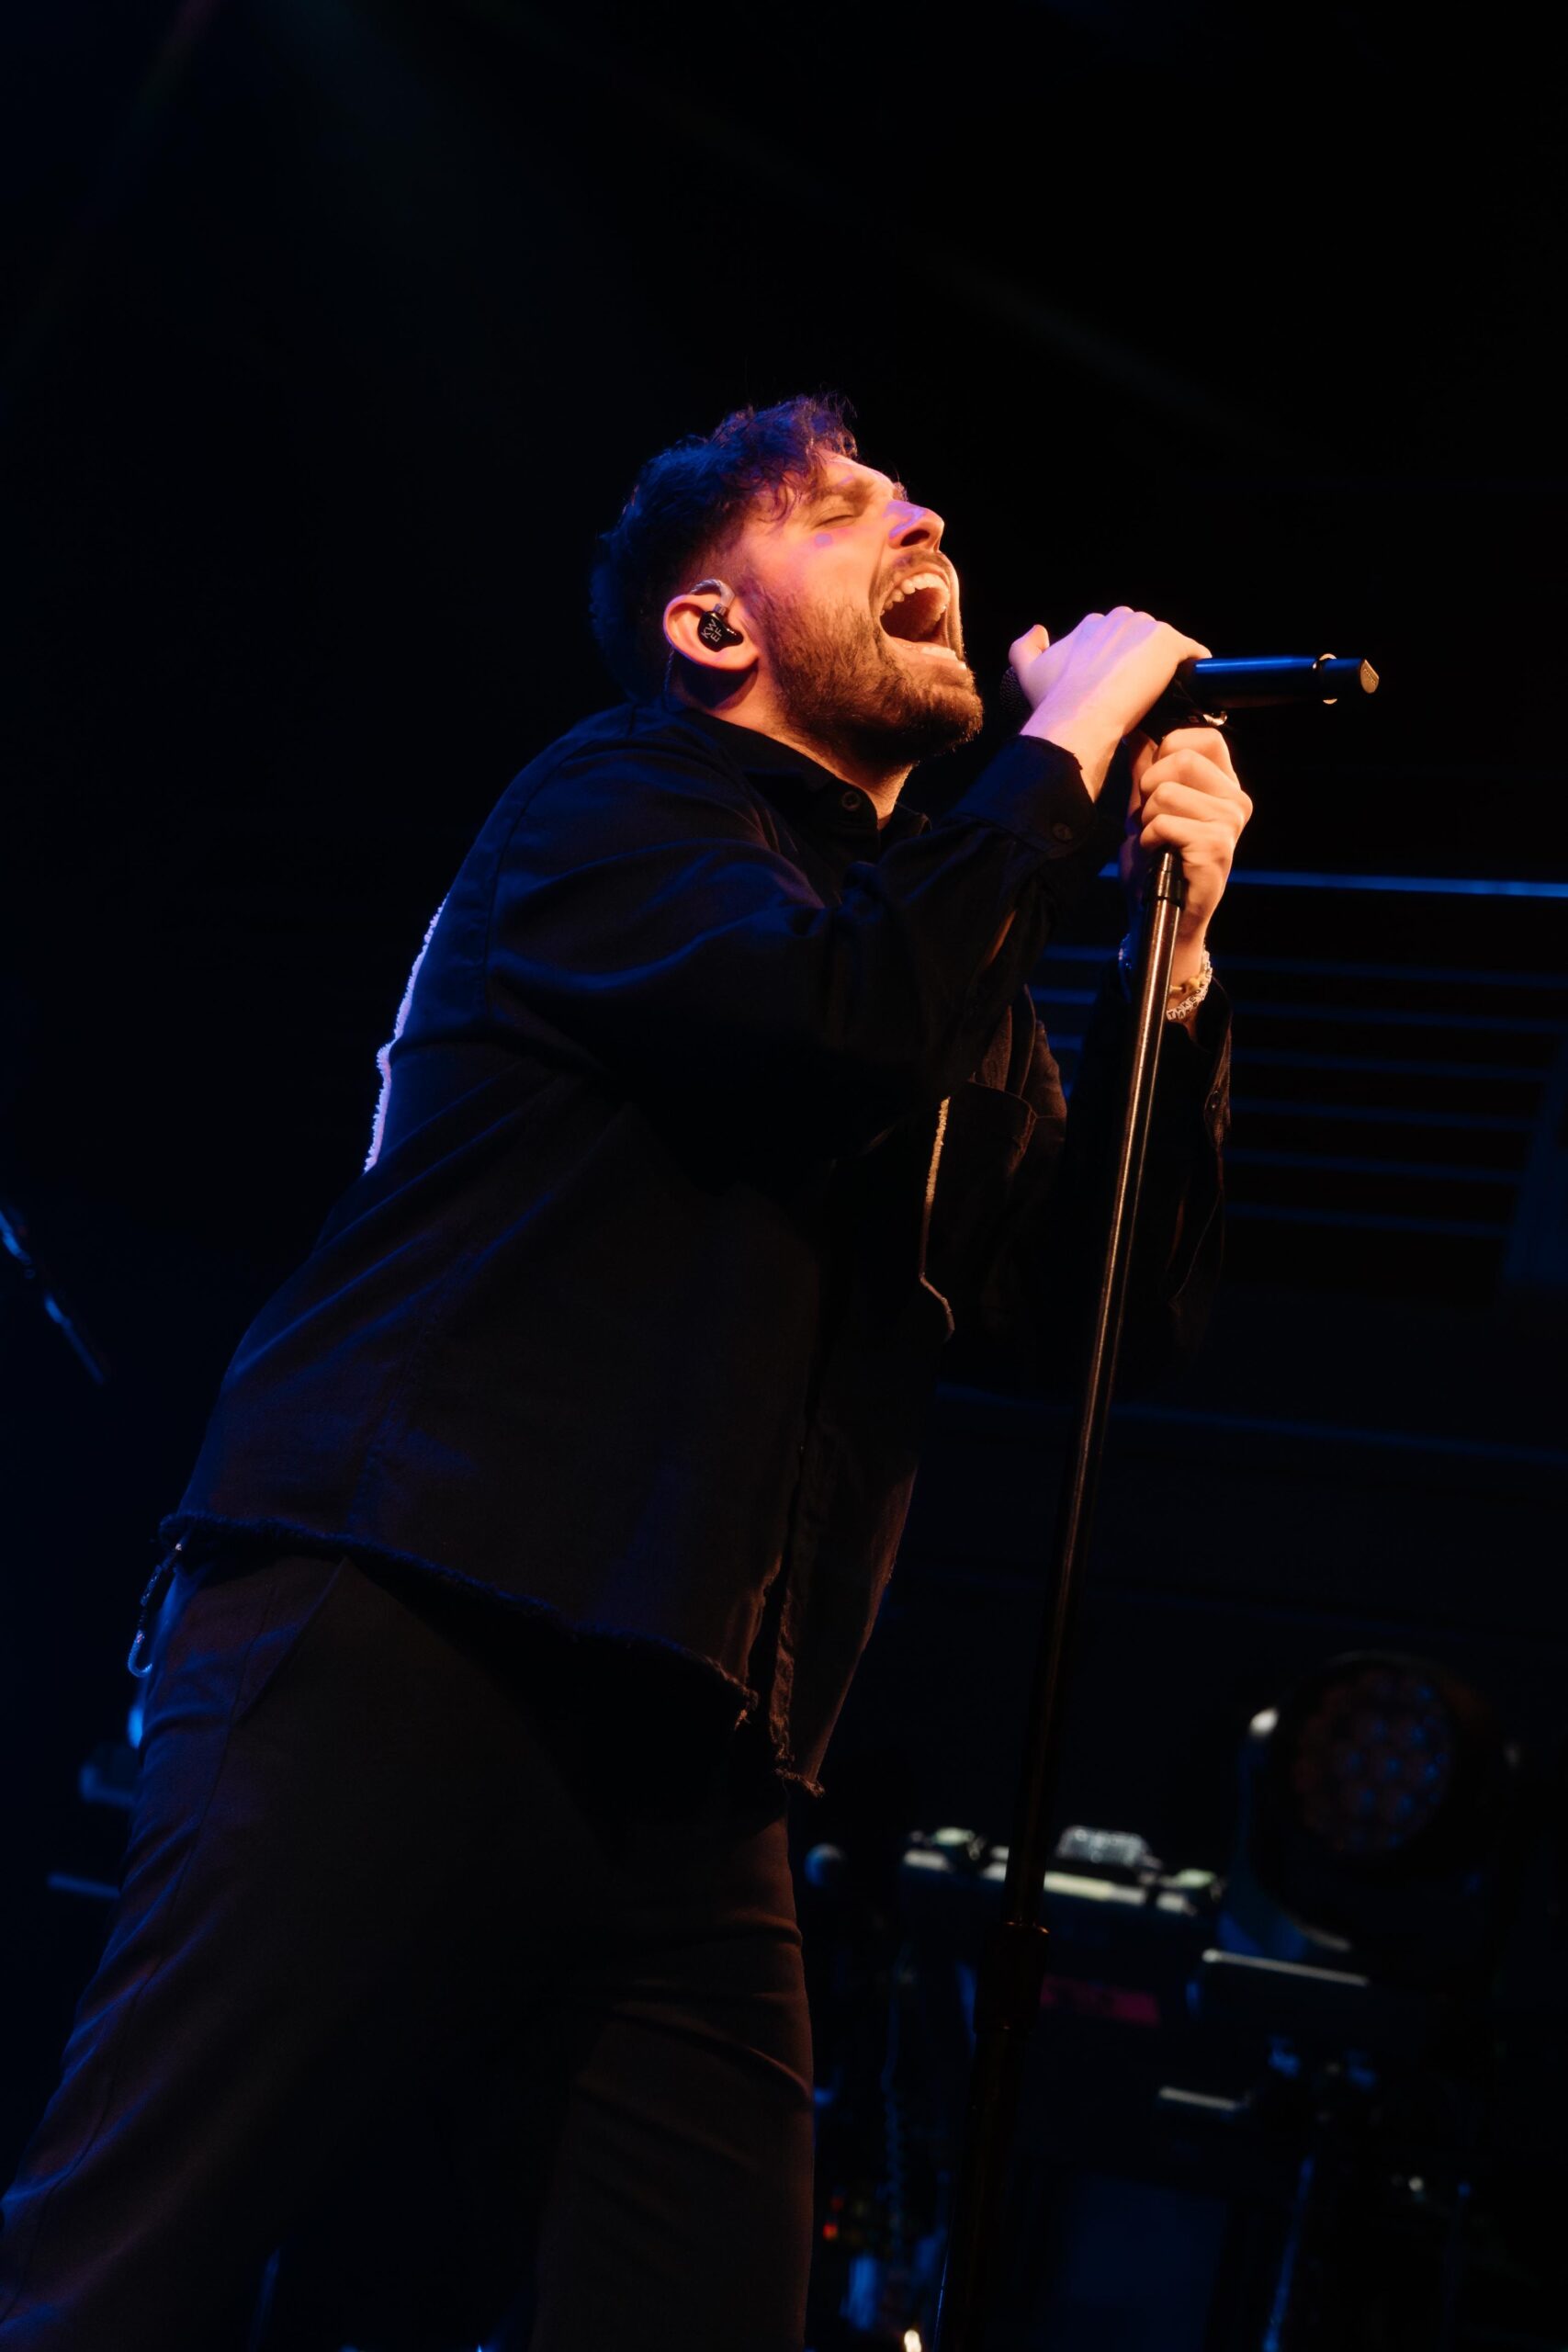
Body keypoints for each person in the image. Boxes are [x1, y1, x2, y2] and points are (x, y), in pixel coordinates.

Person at [0, 396, 1248, 2351]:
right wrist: (1059, 751)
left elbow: (1096, 1317)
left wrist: (1168, 978)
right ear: (711, 626)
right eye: (843, 509)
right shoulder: (619, 805)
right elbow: (823, 1022)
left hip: (696, 1752)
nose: (924, 515)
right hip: (411, 1626)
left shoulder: (941, 959)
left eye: (910, 499)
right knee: (129, 2267)